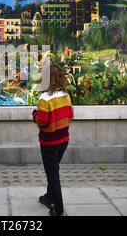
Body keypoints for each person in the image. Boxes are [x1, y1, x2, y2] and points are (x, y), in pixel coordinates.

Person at [32, 63, 74, 216]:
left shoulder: (45, 99)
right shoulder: (66, 96)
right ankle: (49, 197)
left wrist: (34, 115)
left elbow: (42, 120)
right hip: (63, 140)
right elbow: (70, 116)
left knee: (52, 174)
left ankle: (58, 208)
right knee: (53, 170)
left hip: (49, 143)